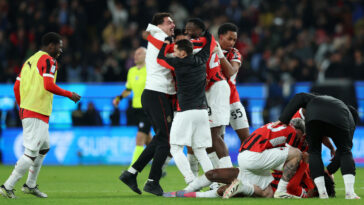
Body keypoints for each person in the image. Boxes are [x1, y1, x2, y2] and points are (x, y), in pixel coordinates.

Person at [0, 32, 81, 199]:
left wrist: (22, 107)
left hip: (30, 110)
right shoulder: (49, 60)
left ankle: (30, 184)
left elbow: (16, 87)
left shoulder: (29, 61)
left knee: (44, 148)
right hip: (36, 111)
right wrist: (69, 94)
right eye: (59, 46)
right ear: (50, 45)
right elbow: (48, 84)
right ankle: (7, 186)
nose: (60, 50)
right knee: (30, 153)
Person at [164, 118, 305, 198]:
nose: (300, 140)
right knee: (296, 154)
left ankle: (185, 193)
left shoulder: (274, 126)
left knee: (216, 178)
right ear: (298, 131)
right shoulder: (292, 135)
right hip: (258, 161)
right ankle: (278, 191)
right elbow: (289, 159)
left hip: (245, 157)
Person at [119, 12, 175, 196]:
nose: (172, 25)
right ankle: (152, 181)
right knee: (166, 139)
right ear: (159, 25)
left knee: (162, 137)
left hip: (154, 94)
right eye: (169, 22)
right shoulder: (160, 36)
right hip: (157, 92)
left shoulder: (158, 35)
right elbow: (167, 52)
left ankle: (132, 173)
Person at [157, 31, 214, 186]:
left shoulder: (178, 63)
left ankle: (190, 180)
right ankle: (214, 182)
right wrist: (204, 32)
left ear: (182, 53)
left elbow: (160, 59)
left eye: (175, 51)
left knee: (175, 148)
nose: (173, 53)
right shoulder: (202, 59)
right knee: (200, 150)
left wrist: (165, 43)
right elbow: (209, 43)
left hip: (186, 111)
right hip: (202, 111)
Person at [278, 92, 360, 199]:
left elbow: (300, 96)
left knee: (314, 152)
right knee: (345, 151)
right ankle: (350, 193)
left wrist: (283, 120)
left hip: (313, 120)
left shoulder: (317, 100)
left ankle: (322, 194)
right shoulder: (348, 118)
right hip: (297, 157)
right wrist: (330, 170)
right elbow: (344, 150)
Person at [184, 18, 232, 170]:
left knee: (213, 135)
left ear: (199, 30)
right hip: (215, 88)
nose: (187, 33)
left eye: (190, 30)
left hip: (216, 88)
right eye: (185, 30)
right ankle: (221, 175)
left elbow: (181, 48)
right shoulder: (210, 42)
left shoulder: (201, 42)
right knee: (214, 135)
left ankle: (229, 174)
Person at [113, 47, 152, 167]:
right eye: (135, 54)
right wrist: (119, 98)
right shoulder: (132, 71)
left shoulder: (151, 70)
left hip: (148, 108)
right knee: (148, 140)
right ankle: (160, 164)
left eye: (139, 53)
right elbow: (128, 89)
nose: (136, 56)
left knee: (139, 139)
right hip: (136, 109)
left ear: (146, 55)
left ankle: (131, 169)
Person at [217, 23, 250, 144]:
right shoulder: (208, 52)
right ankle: (223, 163)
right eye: (229, 39)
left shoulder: (234, 53)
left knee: (247, 139)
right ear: (221, 37)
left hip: (233, 101)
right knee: (218, 139)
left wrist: (219, 55)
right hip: (216, 103)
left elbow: (231, 71)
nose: (232, 43)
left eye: (234, 40)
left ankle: (248, 162)